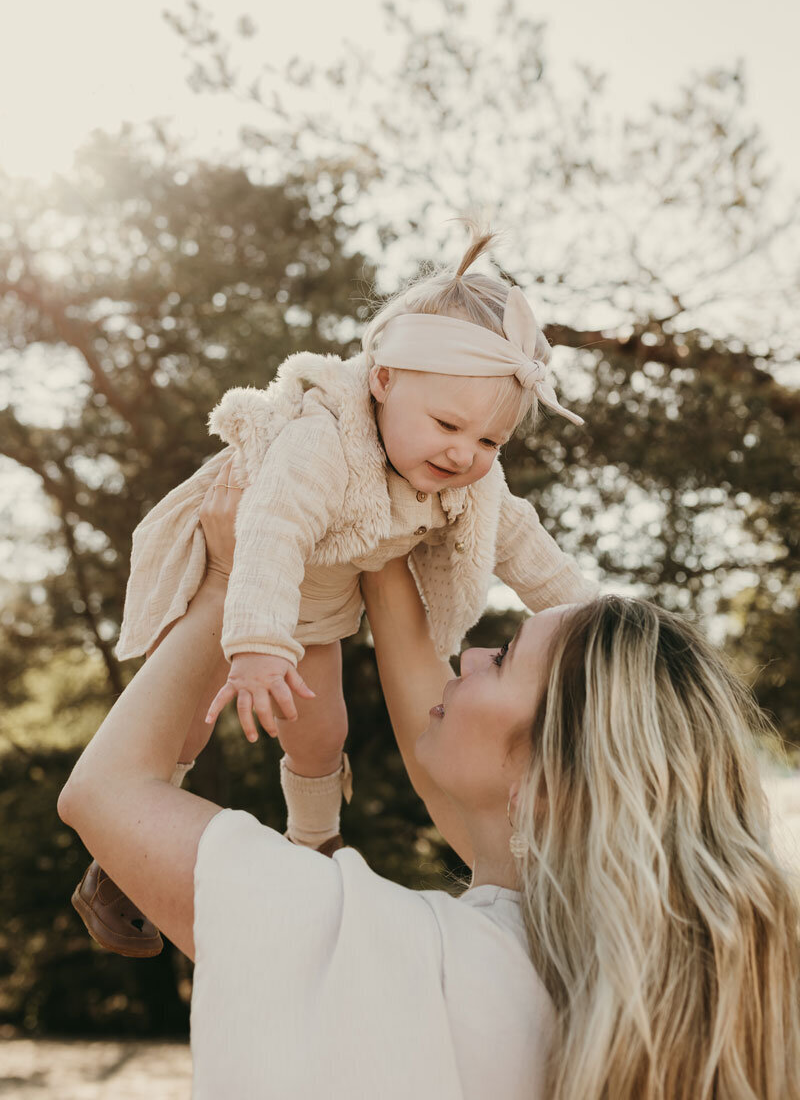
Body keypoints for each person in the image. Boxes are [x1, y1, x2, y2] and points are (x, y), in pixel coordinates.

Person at [58, 461, 800, 1099]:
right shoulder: (652, 982)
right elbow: (439, 741)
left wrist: (229, 582)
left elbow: (105, 793)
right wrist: (380, 525)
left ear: (545, 785)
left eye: (504, 658)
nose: (469, 657)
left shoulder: (374, 946)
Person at [71, 225, 596, 956]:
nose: (463, 454)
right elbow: (271, 527)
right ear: (382, 381)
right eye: (448, 425)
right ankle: (115, 863)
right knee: (182, 722)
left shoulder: (466, 481)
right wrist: (254, 644)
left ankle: (314, 840)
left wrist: (603, 623)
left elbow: (527, 548)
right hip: (225, 581)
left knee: (322, 732)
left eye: (489, 443)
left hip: (315, 614)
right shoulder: (324, 438)